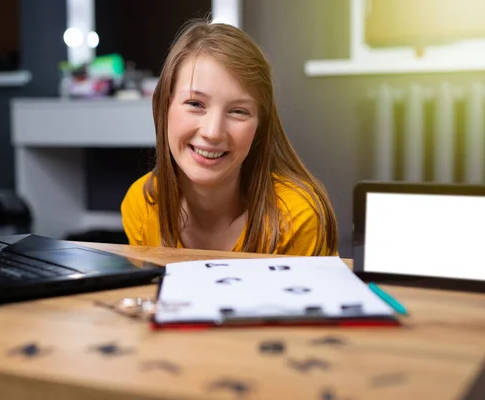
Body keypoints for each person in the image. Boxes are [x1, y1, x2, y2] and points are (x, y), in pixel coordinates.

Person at [121, 19, 338, 256]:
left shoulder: (295, 216)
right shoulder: (141, 205)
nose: (212, 132)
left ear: (259, 126)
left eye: (238, 111)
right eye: (195, 104)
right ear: (164, 106)